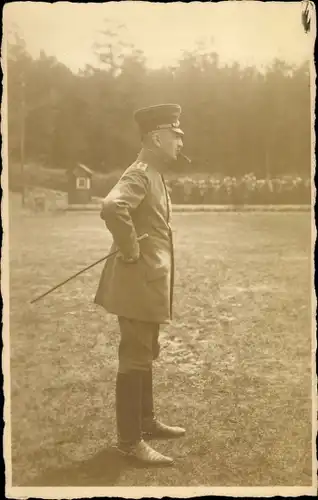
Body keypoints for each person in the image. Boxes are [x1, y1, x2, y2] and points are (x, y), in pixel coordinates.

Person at [95, 104, 186, 466]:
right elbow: (112, 206)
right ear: (155, 137)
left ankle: (145, 423)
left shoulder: (155, 174)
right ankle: (129, 442)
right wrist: (131, 249)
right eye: (175, 135)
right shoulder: (141, 172)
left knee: (146, 352)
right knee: (134, 358)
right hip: (136, 283)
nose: (180, 141)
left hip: (147, 284)